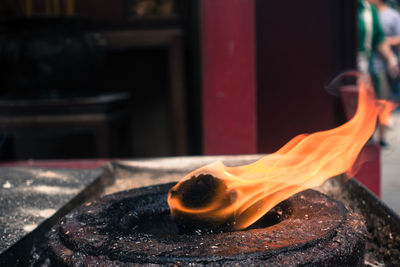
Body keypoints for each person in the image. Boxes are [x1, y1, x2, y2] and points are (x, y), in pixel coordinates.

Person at [358, 0, 399, 146]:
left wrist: (391, 59)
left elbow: (378, 38)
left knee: (381, 103)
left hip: (372, 71)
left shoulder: (370, 10)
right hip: (344, 74)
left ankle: (380, 137)